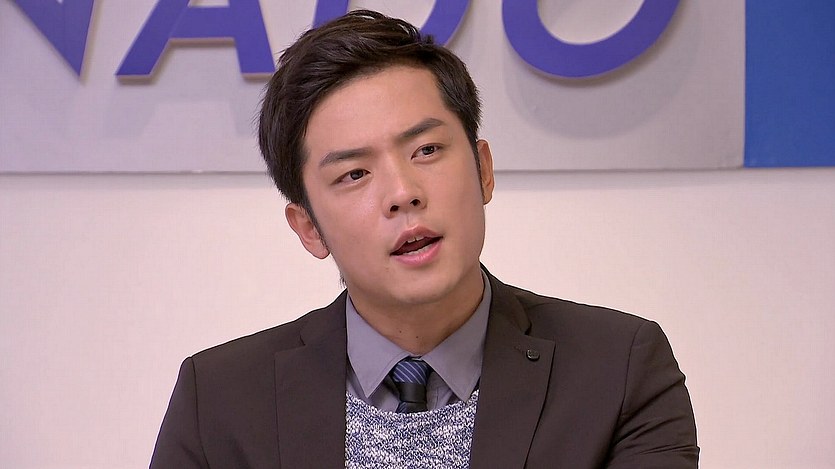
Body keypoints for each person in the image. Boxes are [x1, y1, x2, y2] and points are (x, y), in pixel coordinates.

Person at [150, 10, 698, 468]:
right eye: (354, 174)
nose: (403, 193)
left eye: (426, 151)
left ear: (483, 170)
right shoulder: (218, 402)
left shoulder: (619, 370)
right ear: (309, 228)